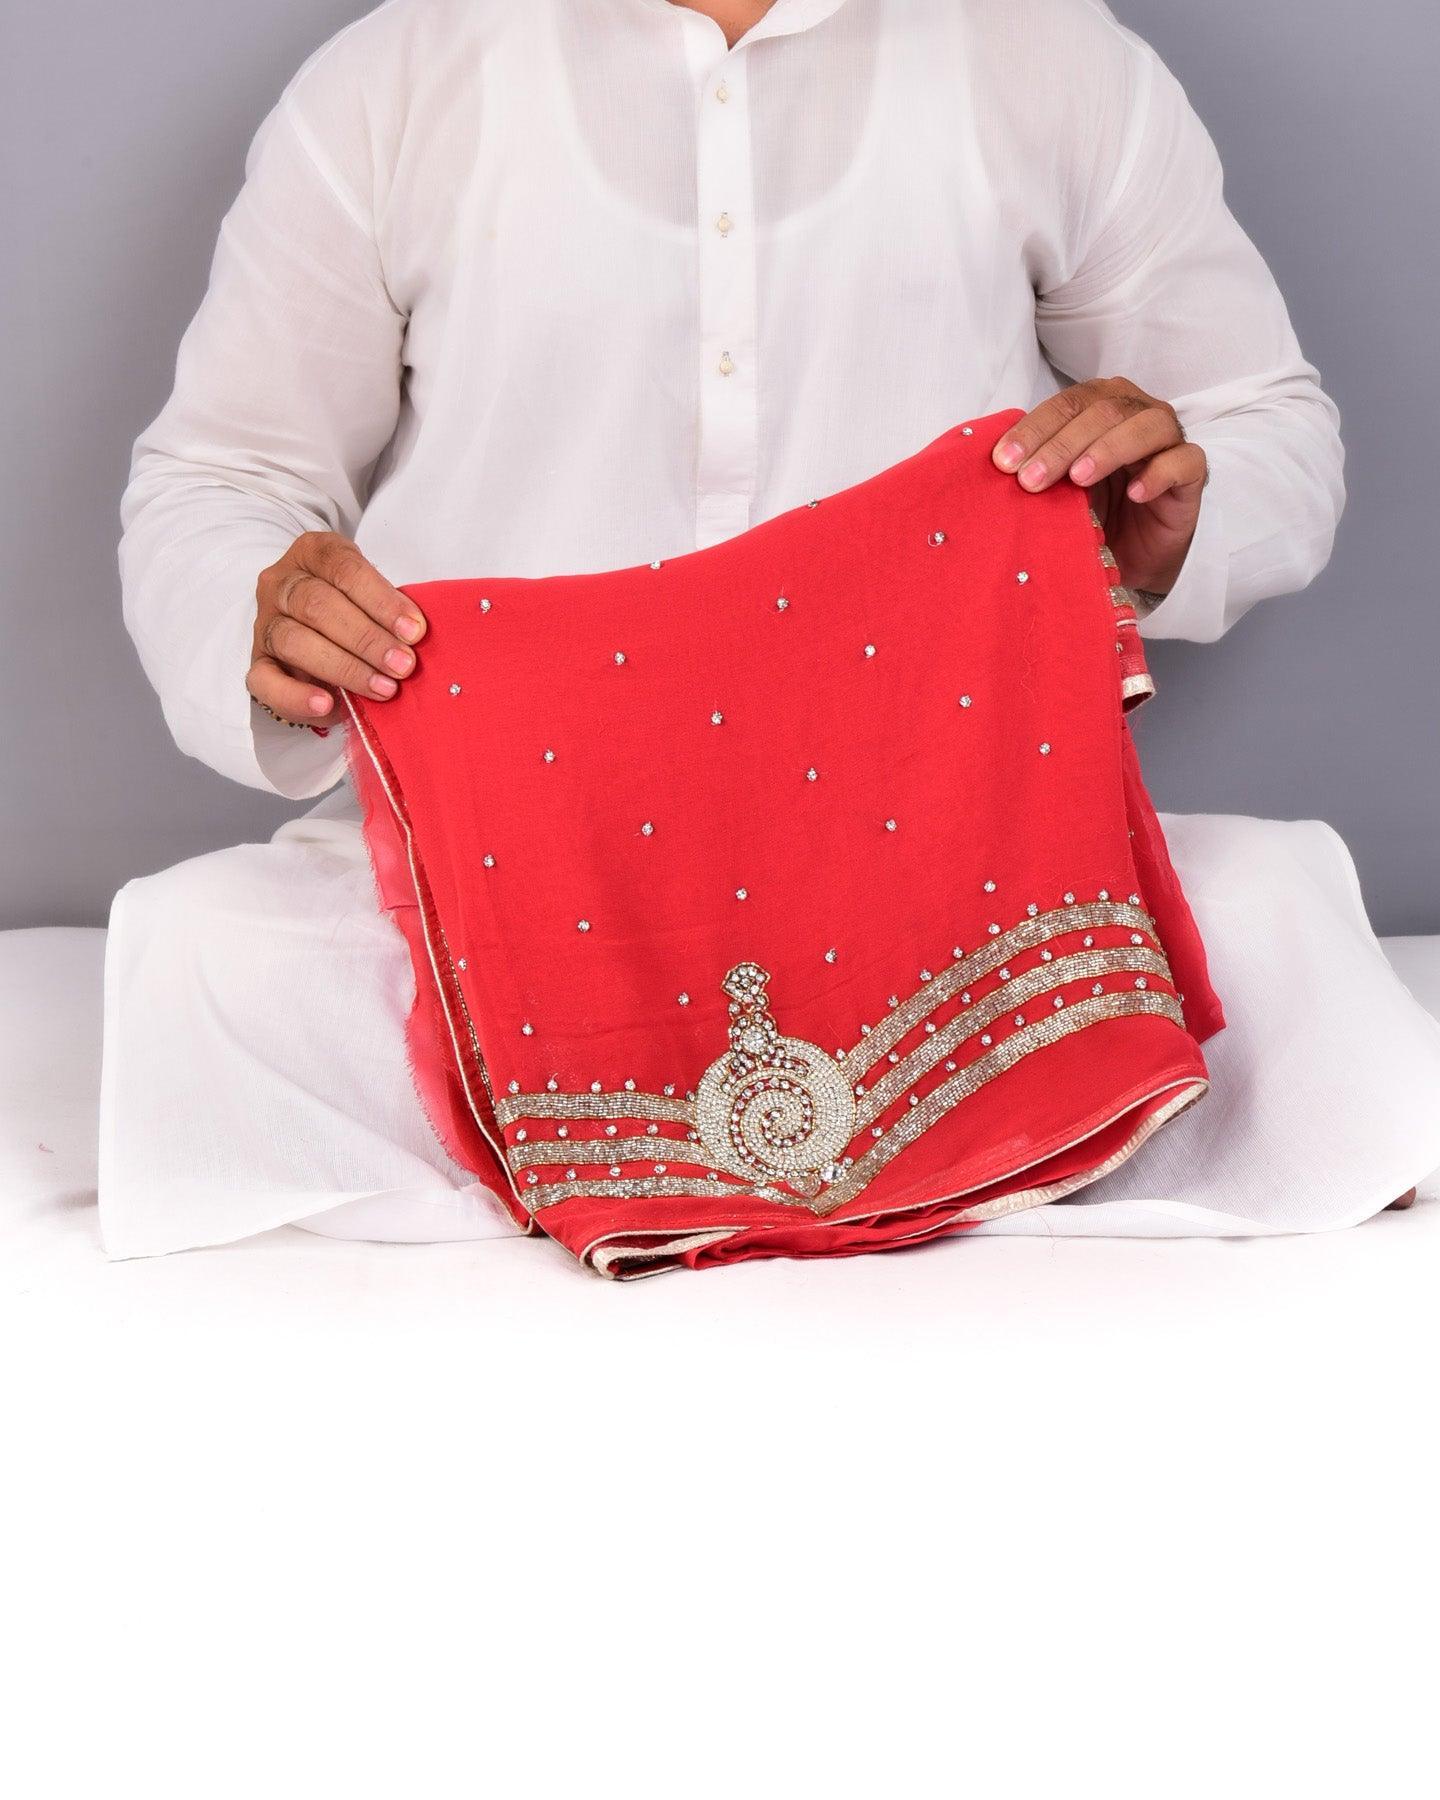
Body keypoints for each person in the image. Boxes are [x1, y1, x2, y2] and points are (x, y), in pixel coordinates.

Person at [100, 0, 1440, 1261]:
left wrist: (1166, 524)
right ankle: (973, 1155)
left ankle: (675, 1167)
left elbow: (1267, 425)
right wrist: (268, 619)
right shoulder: (397, 77)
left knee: (1281, 926)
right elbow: (219, 479)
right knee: (199, 955)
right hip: (513, 860)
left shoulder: (1038, 49)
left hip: (957, 866)